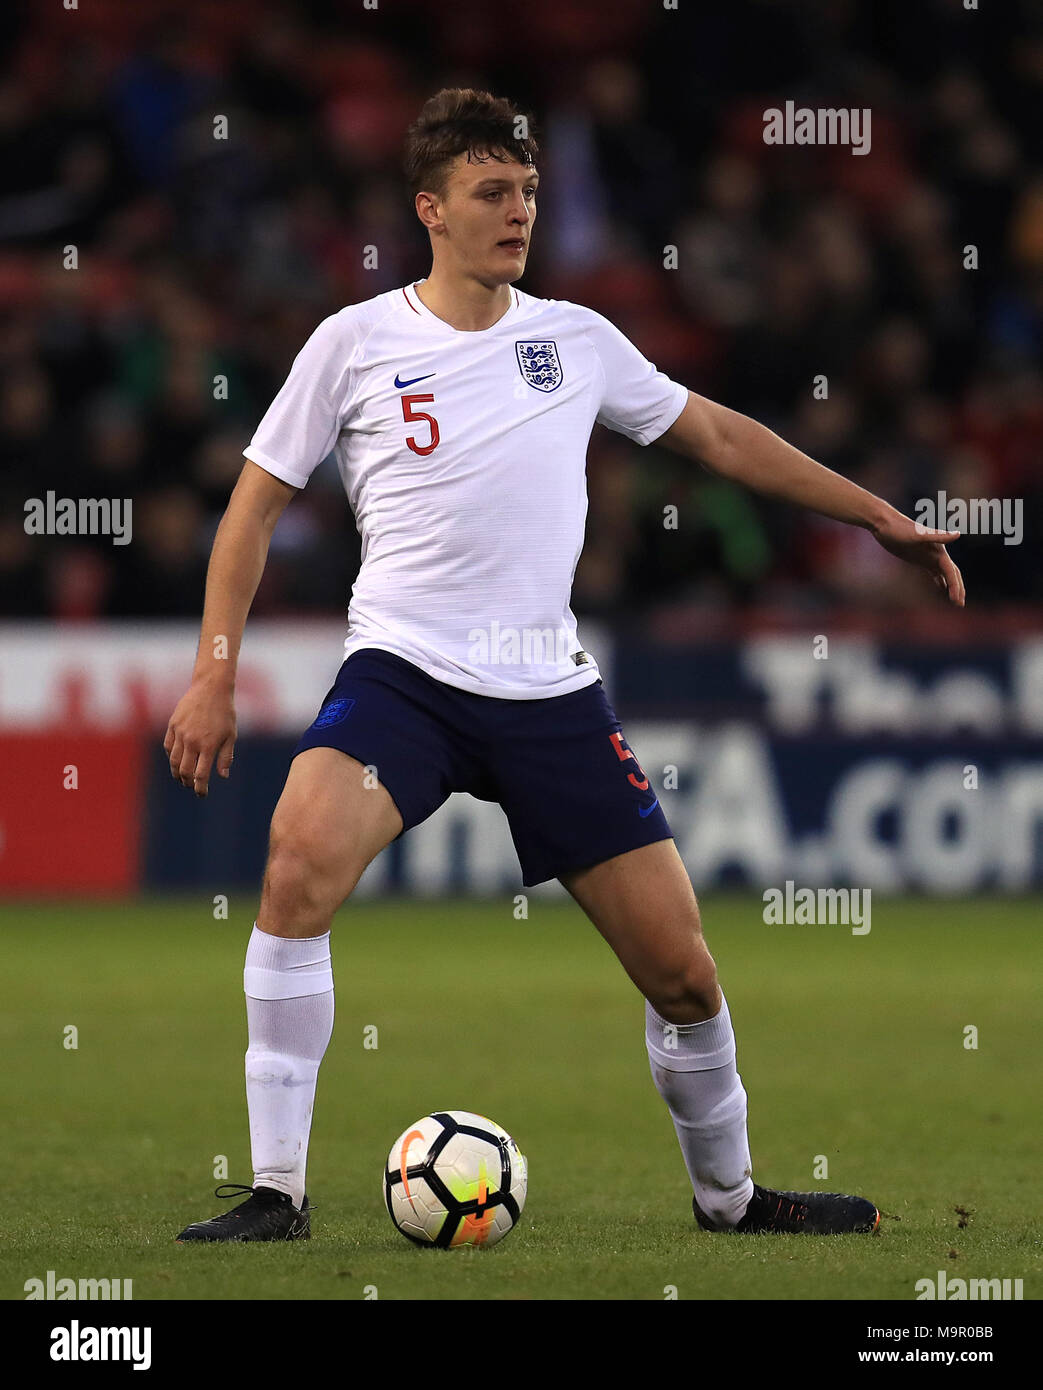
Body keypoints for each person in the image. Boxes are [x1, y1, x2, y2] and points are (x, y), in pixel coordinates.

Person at [166, 88, 964, 1243]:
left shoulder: (575, 341)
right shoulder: (352, 343)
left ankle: (730, 1200)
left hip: (546, 689)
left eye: (528, 191)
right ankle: (277, 1190)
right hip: (405, 673)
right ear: (429, 208)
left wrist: (875, 517)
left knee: (683, 974)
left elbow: (722, 438)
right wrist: (213, 673)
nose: (518, 211)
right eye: (493, 192)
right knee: (295, 860)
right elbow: (247, 513)